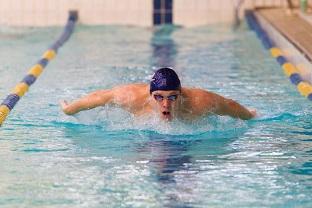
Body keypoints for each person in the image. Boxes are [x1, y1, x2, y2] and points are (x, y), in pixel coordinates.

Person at [60, 67, 256, 121]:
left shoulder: (200, 102)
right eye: (159, 97)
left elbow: (229, 106)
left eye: (172, 97)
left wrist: (251, 115)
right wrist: (69, 109)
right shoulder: (131, 97)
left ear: (180, 94)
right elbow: (98, 97)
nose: (166, 104)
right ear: (150, 94)